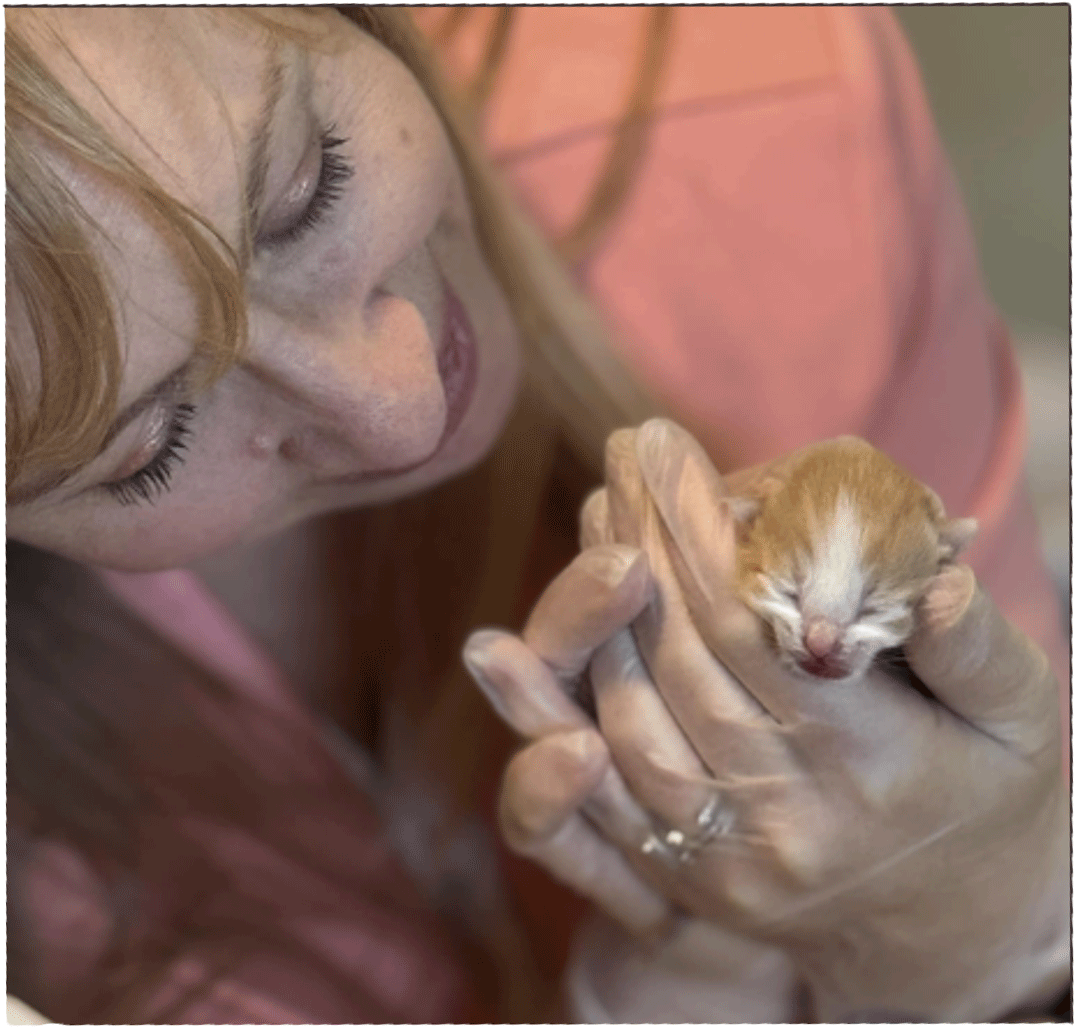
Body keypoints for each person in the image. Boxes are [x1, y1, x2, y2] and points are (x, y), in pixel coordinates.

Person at [6, 6, 1068, 1023]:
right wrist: (673, 1001)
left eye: (305, 191)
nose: (400, 408)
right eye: (148, 448)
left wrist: (1005, 938)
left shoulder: (759, 132)